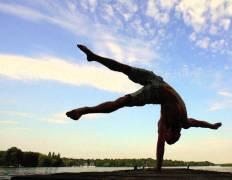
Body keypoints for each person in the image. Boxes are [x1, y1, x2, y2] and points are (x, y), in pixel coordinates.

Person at [66, 44, 222, 170]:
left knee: (121, 97)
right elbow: (200, 124)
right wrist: (212, 126)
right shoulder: (184, 122)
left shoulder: (165, 123)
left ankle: (85, 109)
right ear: (175, 134)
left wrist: (158, 166)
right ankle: (94, 57)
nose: (166, 134)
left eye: (168, 136)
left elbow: (161, 143)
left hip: (157, 86)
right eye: (171, 136)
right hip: (158, 85)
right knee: (124, 72)